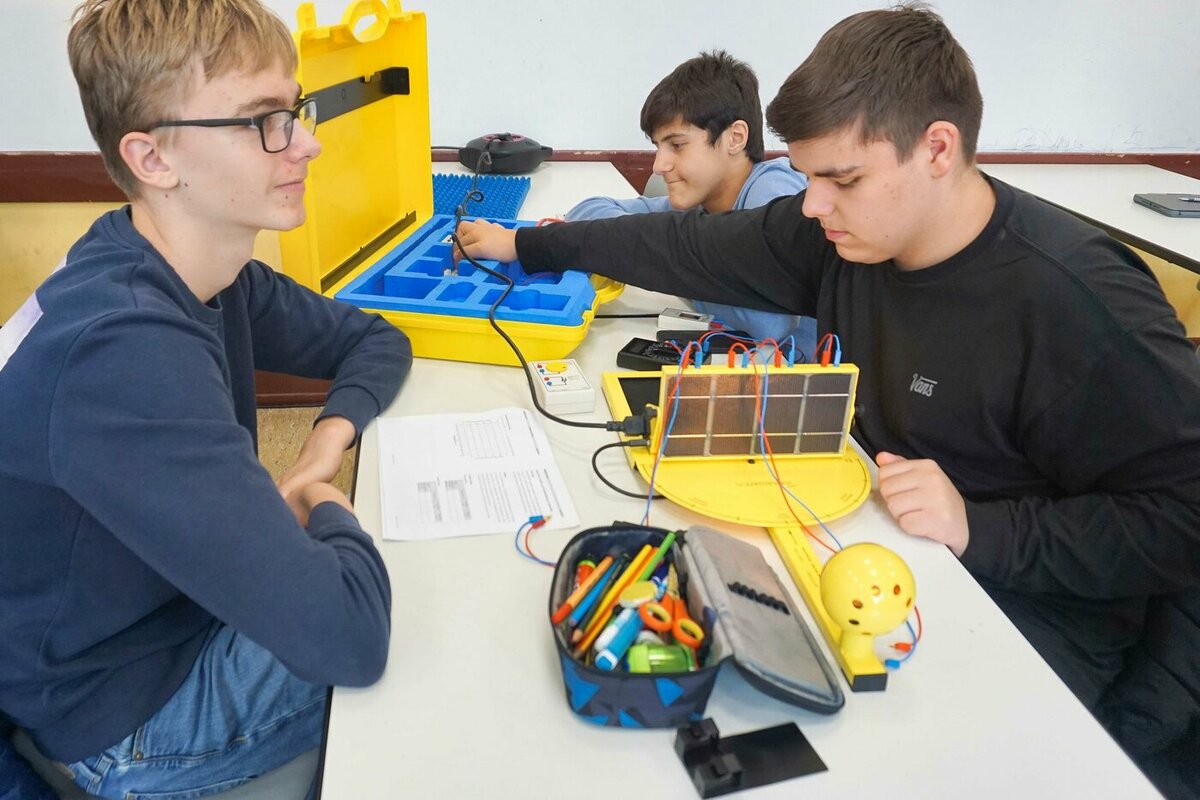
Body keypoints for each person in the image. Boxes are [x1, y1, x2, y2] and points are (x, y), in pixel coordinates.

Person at [457, 6, 1200, 798]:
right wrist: (528, 245)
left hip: (1023, 607)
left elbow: (1183, 520)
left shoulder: (1079, 303)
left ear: (937, 149)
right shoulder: (842, 237)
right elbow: (681, 245)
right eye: (808, 176)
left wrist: (980, 527)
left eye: (842, 180)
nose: (812, 204)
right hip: (875, 546)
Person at [0, 1, 411, 798]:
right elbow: (347, 638)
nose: (308, 143)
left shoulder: (198, 269)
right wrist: (327, 503)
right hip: (122, 712)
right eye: (262, 122)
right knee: (422, 628)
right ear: (153, 158)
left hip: (172, 613)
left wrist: (325, 441)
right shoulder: (124, 352)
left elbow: (375, 340)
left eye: (295, 110)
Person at [566, 50, 815, 358]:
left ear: (735, 138)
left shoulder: (773, 191)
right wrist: (661, 248)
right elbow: (586, 212)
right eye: (658, 147)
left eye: (677, 145)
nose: (659, 165)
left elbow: (770, 323)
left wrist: (676, 263)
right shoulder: (699, 203)